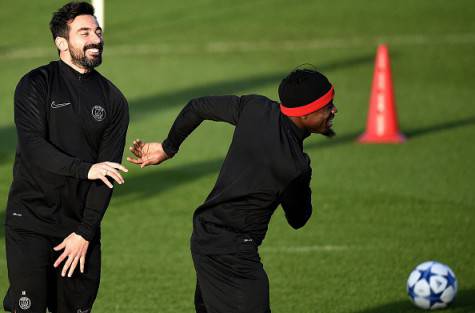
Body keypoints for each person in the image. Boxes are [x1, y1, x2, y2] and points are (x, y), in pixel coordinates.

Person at [128, 67, 338, 313]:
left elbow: (197, 107)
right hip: (232, 253)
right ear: (304, 113)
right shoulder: (294, 165)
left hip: (208, 237)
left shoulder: (256, 108)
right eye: (328, 106)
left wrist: (168, 147)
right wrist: (304, 179)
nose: (334, 111)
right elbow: (298, 218)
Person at [3, 2, 129, 312]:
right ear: (62, 42)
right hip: (30, 221)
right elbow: (34, 148)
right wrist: (85, 169)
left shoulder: (113, 100)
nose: (95, 39)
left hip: (78, 231)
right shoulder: (35, 84)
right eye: (84, 32)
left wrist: (85, 232)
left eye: (97, 32)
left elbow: (108, 175)